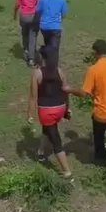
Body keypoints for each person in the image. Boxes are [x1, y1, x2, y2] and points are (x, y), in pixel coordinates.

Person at [64, 39, 106, 198]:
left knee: (98, 133)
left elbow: (84, 93)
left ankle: (101, 158)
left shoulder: (93, 70)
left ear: (96, 53)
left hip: (102, 115)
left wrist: (69, 90)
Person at [27, 45, 73, 178]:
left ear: (41, 57)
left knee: (56, 140)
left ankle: (66, 171)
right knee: (48, 129)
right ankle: (41, 152)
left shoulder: (37, 73)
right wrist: (67, 109)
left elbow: (33, 96)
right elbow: (66, 92)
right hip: (60, 108)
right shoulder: (60, 71)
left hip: (47, 112)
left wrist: (29, 114)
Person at [34, 0, 67, 65]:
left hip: (44, 26)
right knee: (55, 48)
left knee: (48, 44)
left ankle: (45, 56)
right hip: (55, 27)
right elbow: (64, 14)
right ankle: (53, 67)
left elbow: (37, 11)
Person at [13, 0, 41, 66]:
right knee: (33, 37)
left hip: (24, 16)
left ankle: (26, 51)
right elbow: (40, 6)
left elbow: (17, 4)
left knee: (24, 34)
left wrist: (14, 14)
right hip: (34, 16)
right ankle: (31, 59)